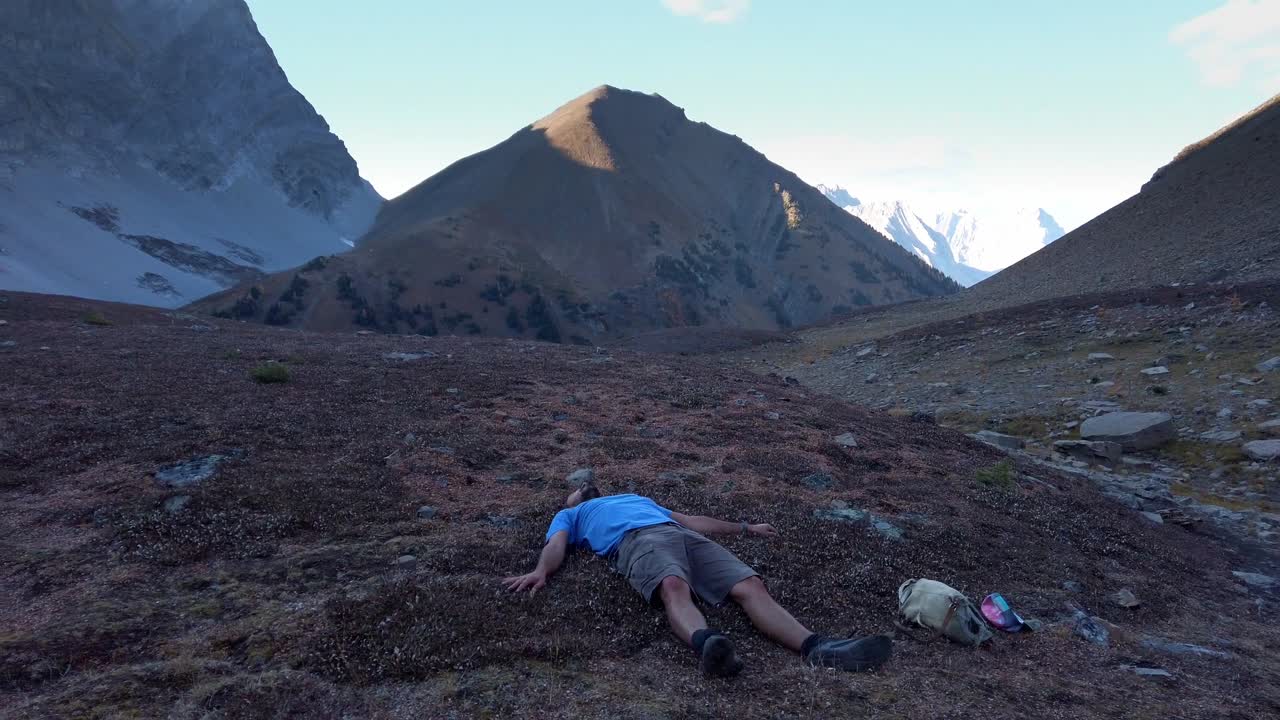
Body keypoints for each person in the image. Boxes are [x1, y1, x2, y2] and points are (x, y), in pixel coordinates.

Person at [503, 483, 892, 677]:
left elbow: (690, 521)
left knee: (749, 584)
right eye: (577, 492)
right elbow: (556, 545)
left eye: (585, 489)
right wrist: (542, 570)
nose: (582, 491)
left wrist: (745, 527)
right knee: (673, 587)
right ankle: (709, 646)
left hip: (680, 534)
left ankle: (816, 647)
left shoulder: (637, 497)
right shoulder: (570, 515)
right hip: (635, 541)